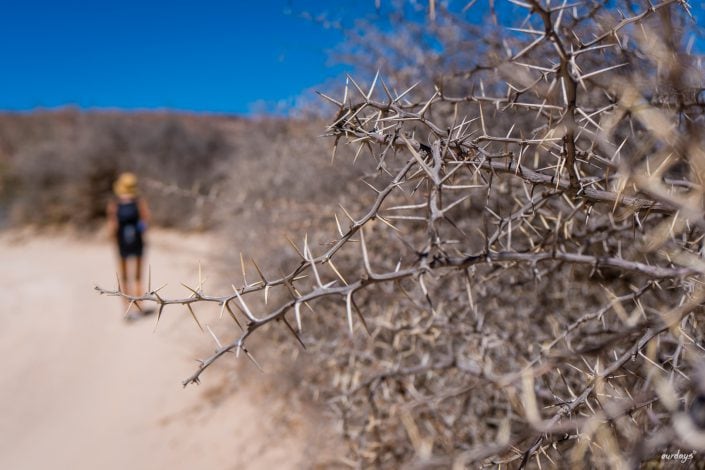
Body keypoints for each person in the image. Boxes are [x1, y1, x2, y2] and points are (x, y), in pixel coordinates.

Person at [107, 172, 151, 316]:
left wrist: (114, 240)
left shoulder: (115, 204)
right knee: (138, 275)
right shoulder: (139, 202)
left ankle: (127, 308)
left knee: (124, 276)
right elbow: (146, 221)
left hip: (122, 243)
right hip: (137, 241)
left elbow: (112, 226)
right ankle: (139, 306)